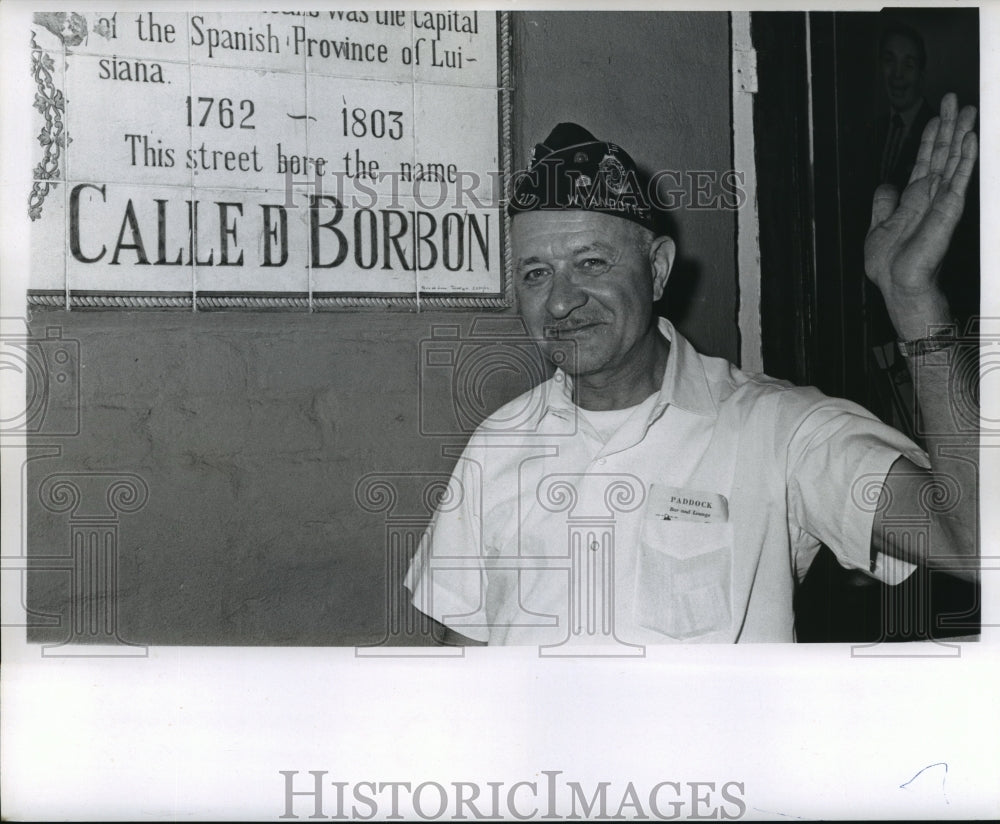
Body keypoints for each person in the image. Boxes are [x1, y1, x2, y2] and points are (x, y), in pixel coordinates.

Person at [404, 96, 978, 645]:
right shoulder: (496, 444)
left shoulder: (777, 431)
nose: (559, 302)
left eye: (591, 263)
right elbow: (464, 655)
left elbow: (975, 542)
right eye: (535, 274)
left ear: (657, 270)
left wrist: (914, 302)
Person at [876, 22, 935, 191]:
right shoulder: (873, 129)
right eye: (889, 61)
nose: (897, 74)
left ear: (922, 74)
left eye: (908, 65)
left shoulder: (937, 131)